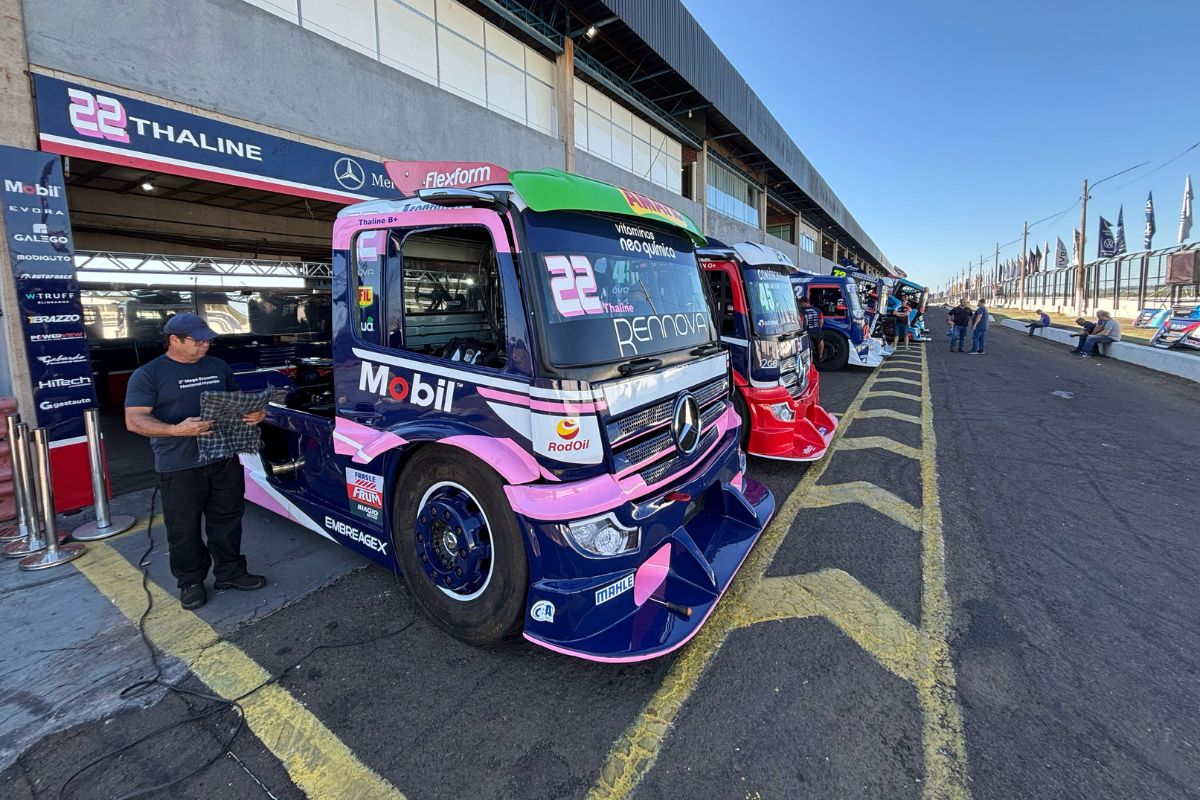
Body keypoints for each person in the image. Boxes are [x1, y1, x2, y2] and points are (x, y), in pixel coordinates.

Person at [125, 313, 268, 610]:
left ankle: (230, 572)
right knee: (183, 528)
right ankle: (190, 581)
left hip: (223, 457)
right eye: (198, 341)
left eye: (208, 340)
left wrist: (255, 414)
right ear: (174, 340)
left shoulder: (217, 366)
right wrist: (175, 430)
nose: (205, 345)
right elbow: (134, 420)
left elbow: (236, 401)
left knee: (227, 520)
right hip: (179, 464)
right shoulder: (149, 374)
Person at [798, 295, 825, 362]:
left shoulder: (801, 311)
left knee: (809, 349)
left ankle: (811, 363)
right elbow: (821, 321)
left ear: (804, 302)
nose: (800, 304)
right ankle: (820, 355)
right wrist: (818, 328)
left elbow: (801, 322)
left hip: (808, 332)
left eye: (800, 303)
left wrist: (801, 331)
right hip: (817, 330)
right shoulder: (818, 310)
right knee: (820, 341)